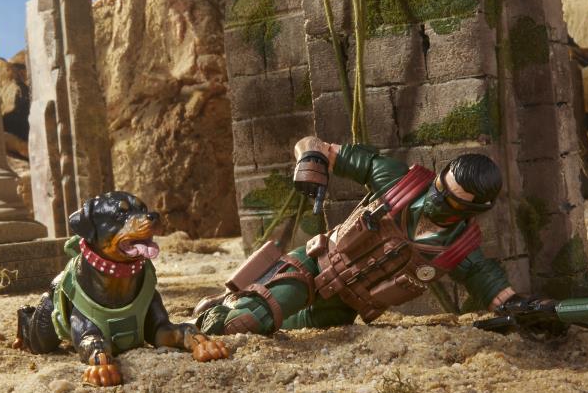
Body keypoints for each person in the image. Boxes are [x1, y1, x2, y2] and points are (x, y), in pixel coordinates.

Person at [195, 137, 516, 336]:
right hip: (313, 266)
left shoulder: (458, 248)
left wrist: (523, 310)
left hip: (341, 310)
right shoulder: (397, 181)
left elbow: (497, 292)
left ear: (474, 210)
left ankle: (235, 301)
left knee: (277, 327)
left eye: (452, 201)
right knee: (246, 323)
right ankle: (216, 312)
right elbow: (315, 144)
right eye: (440, 187)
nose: (437, 199)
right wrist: (311, 160)